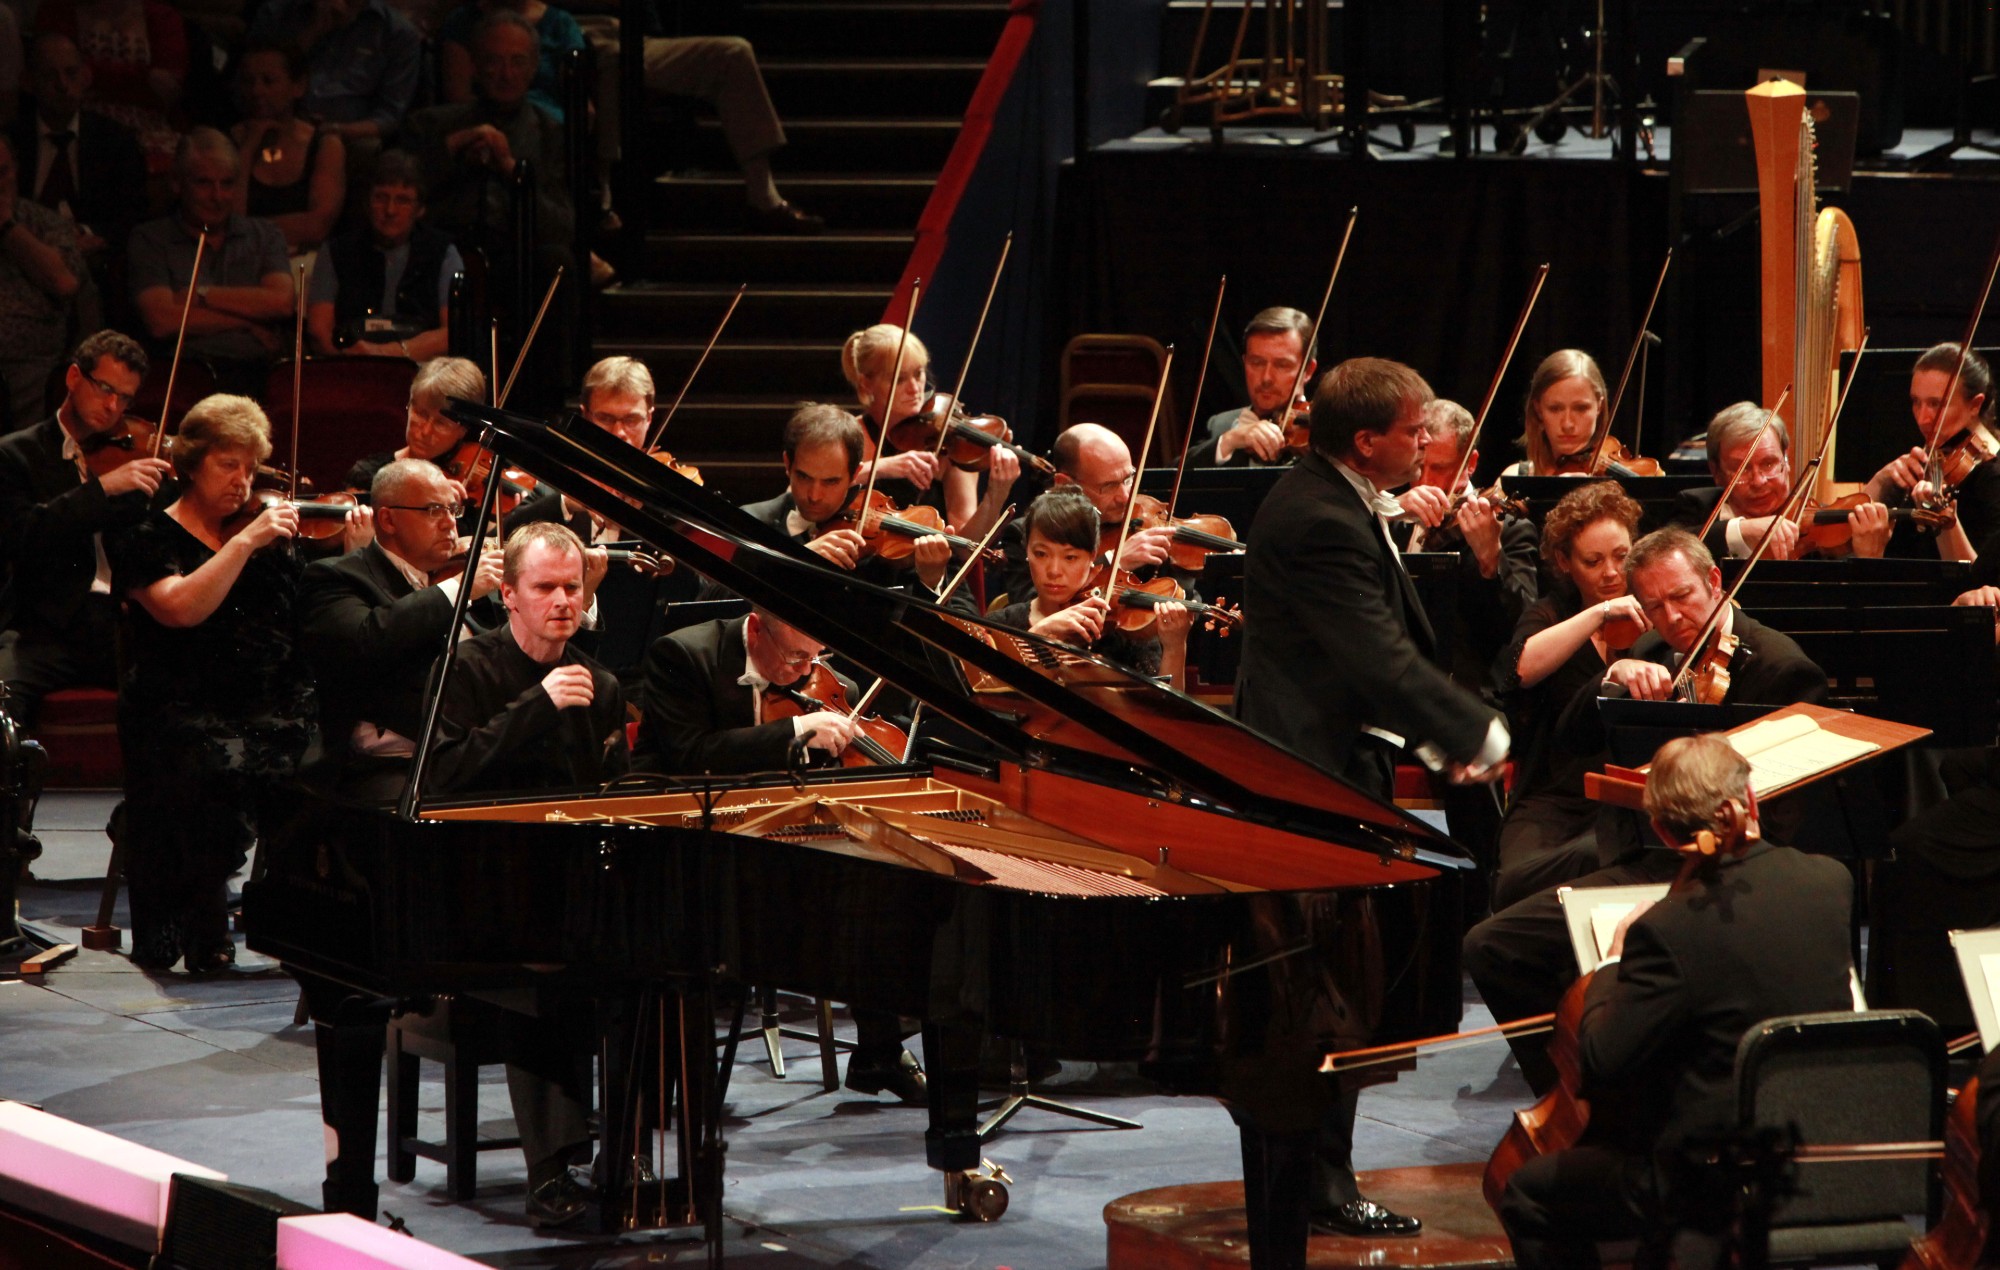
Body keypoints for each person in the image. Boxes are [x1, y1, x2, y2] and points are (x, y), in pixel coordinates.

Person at [1236, 356, 1507, 1240]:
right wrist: (1473, 733)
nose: (1429, 442)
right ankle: (1319, 1179)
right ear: (1367, 441)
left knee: (1339, 984)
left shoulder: (1336, 497)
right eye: (1416, 430)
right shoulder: (1321, 518)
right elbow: (1374, 656)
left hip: (1334, 761)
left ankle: (1320, 1171)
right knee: (1324, 990)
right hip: (1310, 779)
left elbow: (1377, 645)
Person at [1463, 526, 1827, 1096]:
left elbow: (1782, 823)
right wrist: (1611, 675)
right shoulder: (1657, 648)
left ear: (1714, 582)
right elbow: (1570, 736)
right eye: (1654, 606)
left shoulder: (1780, 668)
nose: (1673, 617)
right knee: (1490, 945)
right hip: (1637, 849)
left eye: (1682, 597)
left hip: (1722, 867)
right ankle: (1570, 1090)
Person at [1495, 733, 1855, 1270]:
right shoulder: (1832, 881)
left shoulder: (1664, 929)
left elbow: (1601, 1063)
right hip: (1817, 1152)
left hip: (1709, 1177)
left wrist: (1611, 964)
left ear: (1662, 829)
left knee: (1526, 1190)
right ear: (1751, 801)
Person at [635, 603, 928, 1104]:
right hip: (694, 848)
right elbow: (688, 755)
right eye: (795, 657)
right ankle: (678, 1080)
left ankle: (879, 1049)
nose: (806, 671)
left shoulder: (833, 688)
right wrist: (791, 734)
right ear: (758, 628)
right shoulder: (684, 656)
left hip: (787, 848)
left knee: (881, 885)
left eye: (815, 657)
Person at [105, 393, 317, 973]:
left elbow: (303, 617)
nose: (242, 480)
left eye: (250, 468)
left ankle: (298, 928)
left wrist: (346, 551)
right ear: (192, 463)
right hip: (178, 705)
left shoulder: (260, 538)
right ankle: (203, 922)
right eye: (229, 465)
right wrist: (245, 544)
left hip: (264, 705)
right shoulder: (147, 537)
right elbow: (179, 609)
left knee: (321, 764)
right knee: (214, 766)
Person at [298, 457, 503, 801]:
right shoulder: (335, 578)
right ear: (388, 519)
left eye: (453, 509)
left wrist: (579, 596)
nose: (450, 524)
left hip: (468, 755)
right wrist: (460, 588)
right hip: (385, 767)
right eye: (434, 510)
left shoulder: (458, 584)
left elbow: (507, 654)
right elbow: (369, 640)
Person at [1489, 481, 1646, 911]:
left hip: (1632, 795)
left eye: (1621, 556)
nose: (1612, 573)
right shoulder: (1551, 614)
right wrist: (1598, 612)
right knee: (1512, 884)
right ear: (1564, 563)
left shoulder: (1654, 611)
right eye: (1593, 562)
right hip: (1554, 799)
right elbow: (1519, 668)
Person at [403, 9, 573, 402]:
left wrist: (512, 169)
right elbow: (402, 190)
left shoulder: (551, 133)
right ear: (475, 66)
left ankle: (547, 400)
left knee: (557, 262)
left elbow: (562, 223)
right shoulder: (431, 125)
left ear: (533, 68)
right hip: (445, 251)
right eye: (494, 61)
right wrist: (453, 148)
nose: (505, 73)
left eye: (517, 62)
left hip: (518, 257)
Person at [0, 331, 169, 725]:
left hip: (119, 628)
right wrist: (101, 490)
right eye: (105, 389)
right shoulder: (14, 455)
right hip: (42, 632)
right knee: (2, 702)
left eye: (125, 398)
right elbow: (20, 535)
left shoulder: (136, 456)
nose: (113, 407)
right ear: (74, 378)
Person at [423, 521, 618, 796]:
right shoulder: (461, 667)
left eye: (572, 587)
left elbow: (614, 792)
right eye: (545, 587)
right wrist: (539, 704)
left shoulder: (602, 684)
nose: (562, 600)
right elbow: (440, 777)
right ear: (509, 594)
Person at [579, 18, 822, 234]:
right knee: (611, 60)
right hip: (570, 31)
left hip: (625, 31)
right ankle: (601, 199)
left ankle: (764, 197)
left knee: (734, 52)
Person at [127, 127, 294, 397]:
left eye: (227, 184)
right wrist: (247, 323)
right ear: (177, 184)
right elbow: (162, 321)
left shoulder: (265, 235)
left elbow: (281, 302)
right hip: (183, 378)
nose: (217, 197)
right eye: (204, 183)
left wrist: (197, 295)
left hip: (257, 378)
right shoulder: (150, 239)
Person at [743, 400, 956, 594]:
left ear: (855, 474)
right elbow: (718, 598)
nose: (814, 495)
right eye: (804, 477)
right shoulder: (750, 521)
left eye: (831, 481)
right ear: (788, 465)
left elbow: (903, 626)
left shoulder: (883, 548)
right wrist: (796, 561)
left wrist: (931, 579)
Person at [986, 486, 1191, 687]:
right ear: (1027, 554)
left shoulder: (1123, 630)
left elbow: (1162, 712)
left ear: (1092, 558)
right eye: (1041, 554)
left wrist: (1174, 647)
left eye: (1070, 557)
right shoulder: (1000, 625)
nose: (1054, 570)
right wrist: (1039, 634)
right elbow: (986, 694)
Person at [839, 323, 1018, 542]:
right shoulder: (849, 434)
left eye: (919, 373)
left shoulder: (949, 444)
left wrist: (995, 496)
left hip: (929, 571)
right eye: (900, 379)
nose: (915, 388)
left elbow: (965, 547)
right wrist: (881, 468)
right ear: (867, 384)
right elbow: (806, 497)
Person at [989, 421, 1178, 609]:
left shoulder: (1144, 525)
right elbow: (1029, 606)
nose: (1125, 497)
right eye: (1109, 486)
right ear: (1064, 484)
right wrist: (1115, 561)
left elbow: (1183, 594)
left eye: (1128, 479)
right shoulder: (1026, 534)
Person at [1675, 400, 1890, 561]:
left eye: (1769, 464)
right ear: (1717, 472)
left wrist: (1869, 558)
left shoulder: (1821, 530)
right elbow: (1669, 549)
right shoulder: (1696, 507)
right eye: (1741, 469)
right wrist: (1745, 530)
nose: (1759, 481)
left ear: (1786, 461)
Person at [9, 31, 147, 274]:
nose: (62, 85)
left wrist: (87, 235)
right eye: (50, 75)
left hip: (96, 264)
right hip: (21, 261)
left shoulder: (116, 141)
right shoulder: (10, 142)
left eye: (71, 73)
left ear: (86, 77)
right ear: (28, 82)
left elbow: (132, 215)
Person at [307, 150, 461, 361]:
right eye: (381, 198)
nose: (390, 210)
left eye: (403, 200)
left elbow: (453, 332)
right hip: (349, 369)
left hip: (423, 372)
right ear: (366, 202)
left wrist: (387, 354)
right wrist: (351, 365)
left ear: (420, 209)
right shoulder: (336, 251)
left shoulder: (443, 252)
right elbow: (319, 331)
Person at [1862, 342, 1996, 561]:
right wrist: (1881, 480)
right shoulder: (1923, 462)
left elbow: (1985, 581)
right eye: (1916, 402)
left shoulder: (1992, 478)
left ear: (1975, 405)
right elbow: (1843, 540)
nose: (1923, 418)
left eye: (1937, 404)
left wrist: (1943, 519)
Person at [245, 0, 423, 148]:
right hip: (278, 122)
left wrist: (337, 131)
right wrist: (314, 31)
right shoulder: (277, 13)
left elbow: (389, 116)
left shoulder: (396, 33)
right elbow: (256, 75)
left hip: (349, 136)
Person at [32, 0, 187, 168]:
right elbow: (60, 80)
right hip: (77, 126)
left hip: (150, 133)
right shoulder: (58, 11)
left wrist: (95, 76)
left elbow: (168, 89)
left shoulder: (162, 16)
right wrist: (144, 77)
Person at [228, 41, 346, 257]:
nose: (257, 90)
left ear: (297, 86)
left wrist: (246, 230)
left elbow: (317, 226)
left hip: (302, 261)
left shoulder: (324, 145)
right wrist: (248, 148)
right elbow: (226, 220)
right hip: (240, 259)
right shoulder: (226, 143)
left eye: (268, 81)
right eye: (249, 81)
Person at [0, 132, 84, 428]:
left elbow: (65, 282)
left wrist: (7, 226)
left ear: (16, 171)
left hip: (34, 367)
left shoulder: (44, 223)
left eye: (2, 172)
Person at [341, 355, 484, 495]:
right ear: (409, 404)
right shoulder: (368, 475)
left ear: (463, 429)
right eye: (421, 414)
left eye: (441, 423)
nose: (426, 431)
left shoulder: (479, 476)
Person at [1191, 305, 1313, 467]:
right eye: (1256, 363)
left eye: (1282, 365)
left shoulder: (1320, 433)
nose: (1266, 378)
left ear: (1308, 371)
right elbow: (1169, 479)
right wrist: (1229, 441)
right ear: (1245, 362)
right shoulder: (1221, 425)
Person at [436, 0, 585, 123]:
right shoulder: (462, 22)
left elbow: (579, 99)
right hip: (485, 121)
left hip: (549, 126)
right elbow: (458, 96)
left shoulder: (561, 24)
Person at [1499, 348, 1605, 480]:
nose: (1567, 424)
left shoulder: (1616, 483)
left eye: (1581, 408)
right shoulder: (1515, 478)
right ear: (1538, 410)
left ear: (1599, 407)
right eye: (1555, 409)